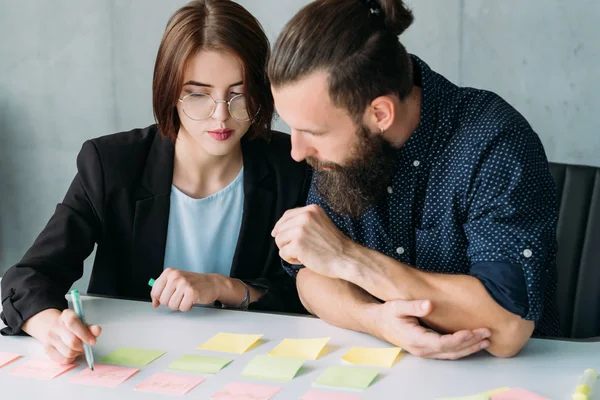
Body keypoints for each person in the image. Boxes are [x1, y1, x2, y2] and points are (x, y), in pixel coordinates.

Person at [0, 0, 310, 365]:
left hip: (250, 363)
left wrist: (223, 287)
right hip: (131, 364)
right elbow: (27, 278)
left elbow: (302, 295)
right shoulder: (112, 164)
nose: (221, 114)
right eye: (198, 94)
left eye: (239, 93)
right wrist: (54, 327)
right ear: (169, 92)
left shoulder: (291, 163)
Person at [268, 0, 561, 359]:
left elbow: (507, 325)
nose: (296, 151)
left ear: (380, 113)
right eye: (290, 126)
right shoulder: (339, 157)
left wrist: (349, 258)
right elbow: (310, 277)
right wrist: (375, 319)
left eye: (312, 131)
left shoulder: (493, 141)